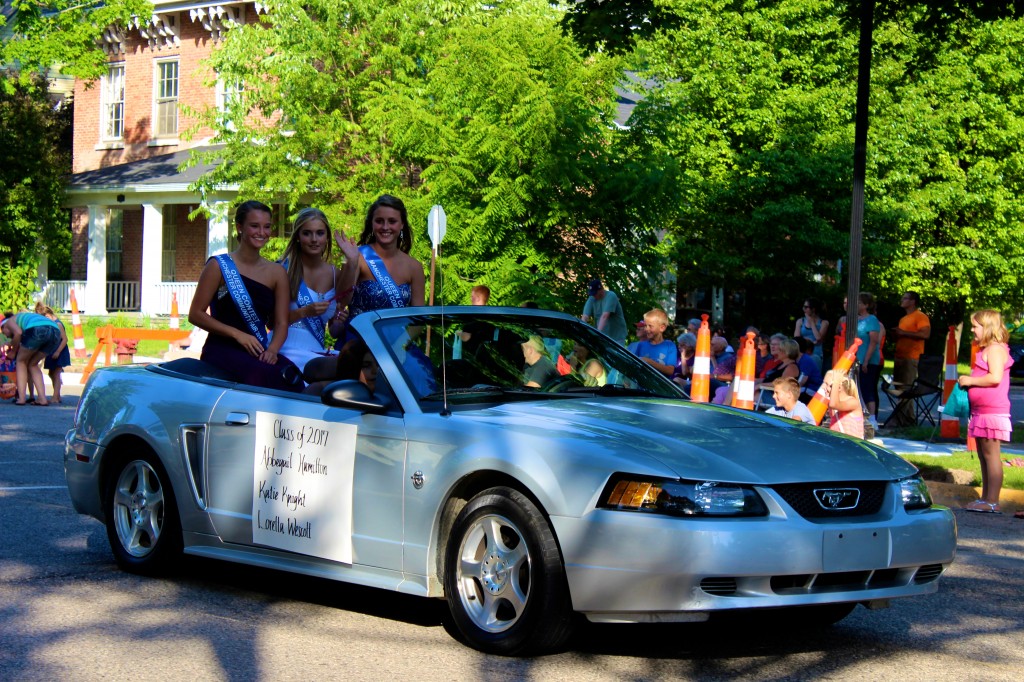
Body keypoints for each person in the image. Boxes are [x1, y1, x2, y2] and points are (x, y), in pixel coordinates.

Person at [189, 200, 302, 391]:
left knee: (292, 376)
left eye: (267, 227)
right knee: (263, 377)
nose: (262, 232)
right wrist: (237, 334)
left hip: (257, 350)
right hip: (222, 349)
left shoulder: (277, 272)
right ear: (239, 227)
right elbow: (195, 314)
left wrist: (273, 350)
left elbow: (281, 323)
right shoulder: (219, 266)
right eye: (254, 226)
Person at [271, 208, 361, 373]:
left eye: (320, 233)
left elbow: (334, 332)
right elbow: (270, 322)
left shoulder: (336, 274)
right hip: (283, 349)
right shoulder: (282, 269)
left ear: (327, 237)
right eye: (307, 233)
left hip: (316, 353)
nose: (314, 239)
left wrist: (353, 261)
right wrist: (304, 312)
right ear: (298, 236)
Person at [958, 310, 1014, 513]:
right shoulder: (987, 349)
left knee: (991, 455)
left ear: (988, 327)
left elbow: (995, 377)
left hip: (992, 412)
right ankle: (985, 498)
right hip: (982, 411)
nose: (972, 330)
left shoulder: (996, 350)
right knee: (983, 455)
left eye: (975, 326)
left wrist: (969, 380)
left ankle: (992, 501)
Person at [345, 194, 427, 322]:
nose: (385, 227)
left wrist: (400, 342)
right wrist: (350, 263)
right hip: (358, 339)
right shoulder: (358, 257)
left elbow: (419, 320)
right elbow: (342, 300)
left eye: (392, 221)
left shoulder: (414, 267)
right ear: (372, 223)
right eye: (379, 221)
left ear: (402, 225)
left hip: (399, 340)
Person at [0, 311, 62, 406]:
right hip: (56, 332)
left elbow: (18, 333)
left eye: (4, 333)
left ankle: (21, 398)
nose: (6, 336)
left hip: (38, 329)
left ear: (4, 326)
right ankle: (42, 398)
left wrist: (12, 351)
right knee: (32, 364)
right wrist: (12, 345)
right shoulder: (23, 320)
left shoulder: (9, 322)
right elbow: (20, 337)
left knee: (20, 361)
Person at [852, 293, 882, 431]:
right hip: (855, 359)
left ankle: (872, 418)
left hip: (868, 360)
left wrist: (866, 361)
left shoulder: (872, 320)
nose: (856, 305)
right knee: (856, 389)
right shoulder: (856, 320)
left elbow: (874, 342)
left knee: (867, 388)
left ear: (866, 305)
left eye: (859, 303)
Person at [891, 291, 931, 385]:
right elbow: (901, 336)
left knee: (906, 388)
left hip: (911, 358)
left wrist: (903, 333)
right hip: (899, 357)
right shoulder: (903, 319)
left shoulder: (920, 316)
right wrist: (895, 334)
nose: (902, 300)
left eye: (905, 298)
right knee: (898, 388)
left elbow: (925, 335)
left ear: (912, 302)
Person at [35, 303, 71, 404]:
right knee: (51, 373)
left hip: (59, 350)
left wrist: (58, 351)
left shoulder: (58, 324)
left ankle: (55, 396)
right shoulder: (52, 324)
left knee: (56, 373)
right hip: (52, 350)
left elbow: (64, 339)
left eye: (46, 318)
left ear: (49, 315)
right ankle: (57, 394)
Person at [631, 309, 677, 377]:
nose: (646, 329)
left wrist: (649, 362)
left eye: (650, 326)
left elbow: (670, 371)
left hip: (660, 386)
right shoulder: (641, 345)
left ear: (662, 328)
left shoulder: (670, 346)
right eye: (646, 326)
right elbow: (633, 366)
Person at [580, 278, 627, 344]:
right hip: (603, 336)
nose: (593, 295)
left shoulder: (611, 296)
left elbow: (605, 316)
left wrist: (597, 334)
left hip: (616, 337)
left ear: (601, 290)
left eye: (595, 293)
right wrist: (581, 332)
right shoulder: (592, 298)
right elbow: (585, 317)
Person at [823, 368, 864, 438]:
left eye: (828, 385)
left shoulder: (853, 402)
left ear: (839, 387)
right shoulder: (833, 405)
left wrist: (836, 381)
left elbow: (834, 404)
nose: (824, 387)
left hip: (852, 446)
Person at [795, 336, 824, 403]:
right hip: (804, 389)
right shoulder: (798, 359)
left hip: (812, 390)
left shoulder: (806, 360)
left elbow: (802, 381)